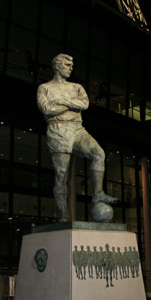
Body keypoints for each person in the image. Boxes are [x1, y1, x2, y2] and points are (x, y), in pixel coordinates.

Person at [37, 53, 117, 221]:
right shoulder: (45, 88)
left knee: (99, 153)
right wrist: (71, 104)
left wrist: (61, 102)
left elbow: (85, 104)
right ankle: (64, 216)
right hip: (58, 130)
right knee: (61, 176)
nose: (71, 68)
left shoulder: (76, 87)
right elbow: (46, 109)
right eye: (67, 65)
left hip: (77, 129)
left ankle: (98, 194)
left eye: (71, 66)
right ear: (57, 66)